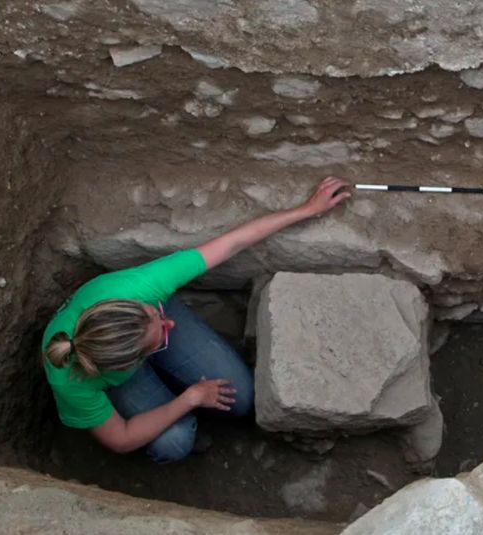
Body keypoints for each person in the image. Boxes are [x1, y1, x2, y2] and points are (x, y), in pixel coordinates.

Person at [42, 176, 351, 463]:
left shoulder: (137, 289)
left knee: (241, 398)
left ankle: (170, 375)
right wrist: (190, 399)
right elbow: (121, 438)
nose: (171, 325)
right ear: (131, 362)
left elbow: (232, 243)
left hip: (133, 336)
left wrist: (306, 210)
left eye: (157, 314)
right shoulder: (71, 380)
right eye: (162, 335)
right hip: (117, 366)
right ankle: (184, 420)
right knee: (174, 443)